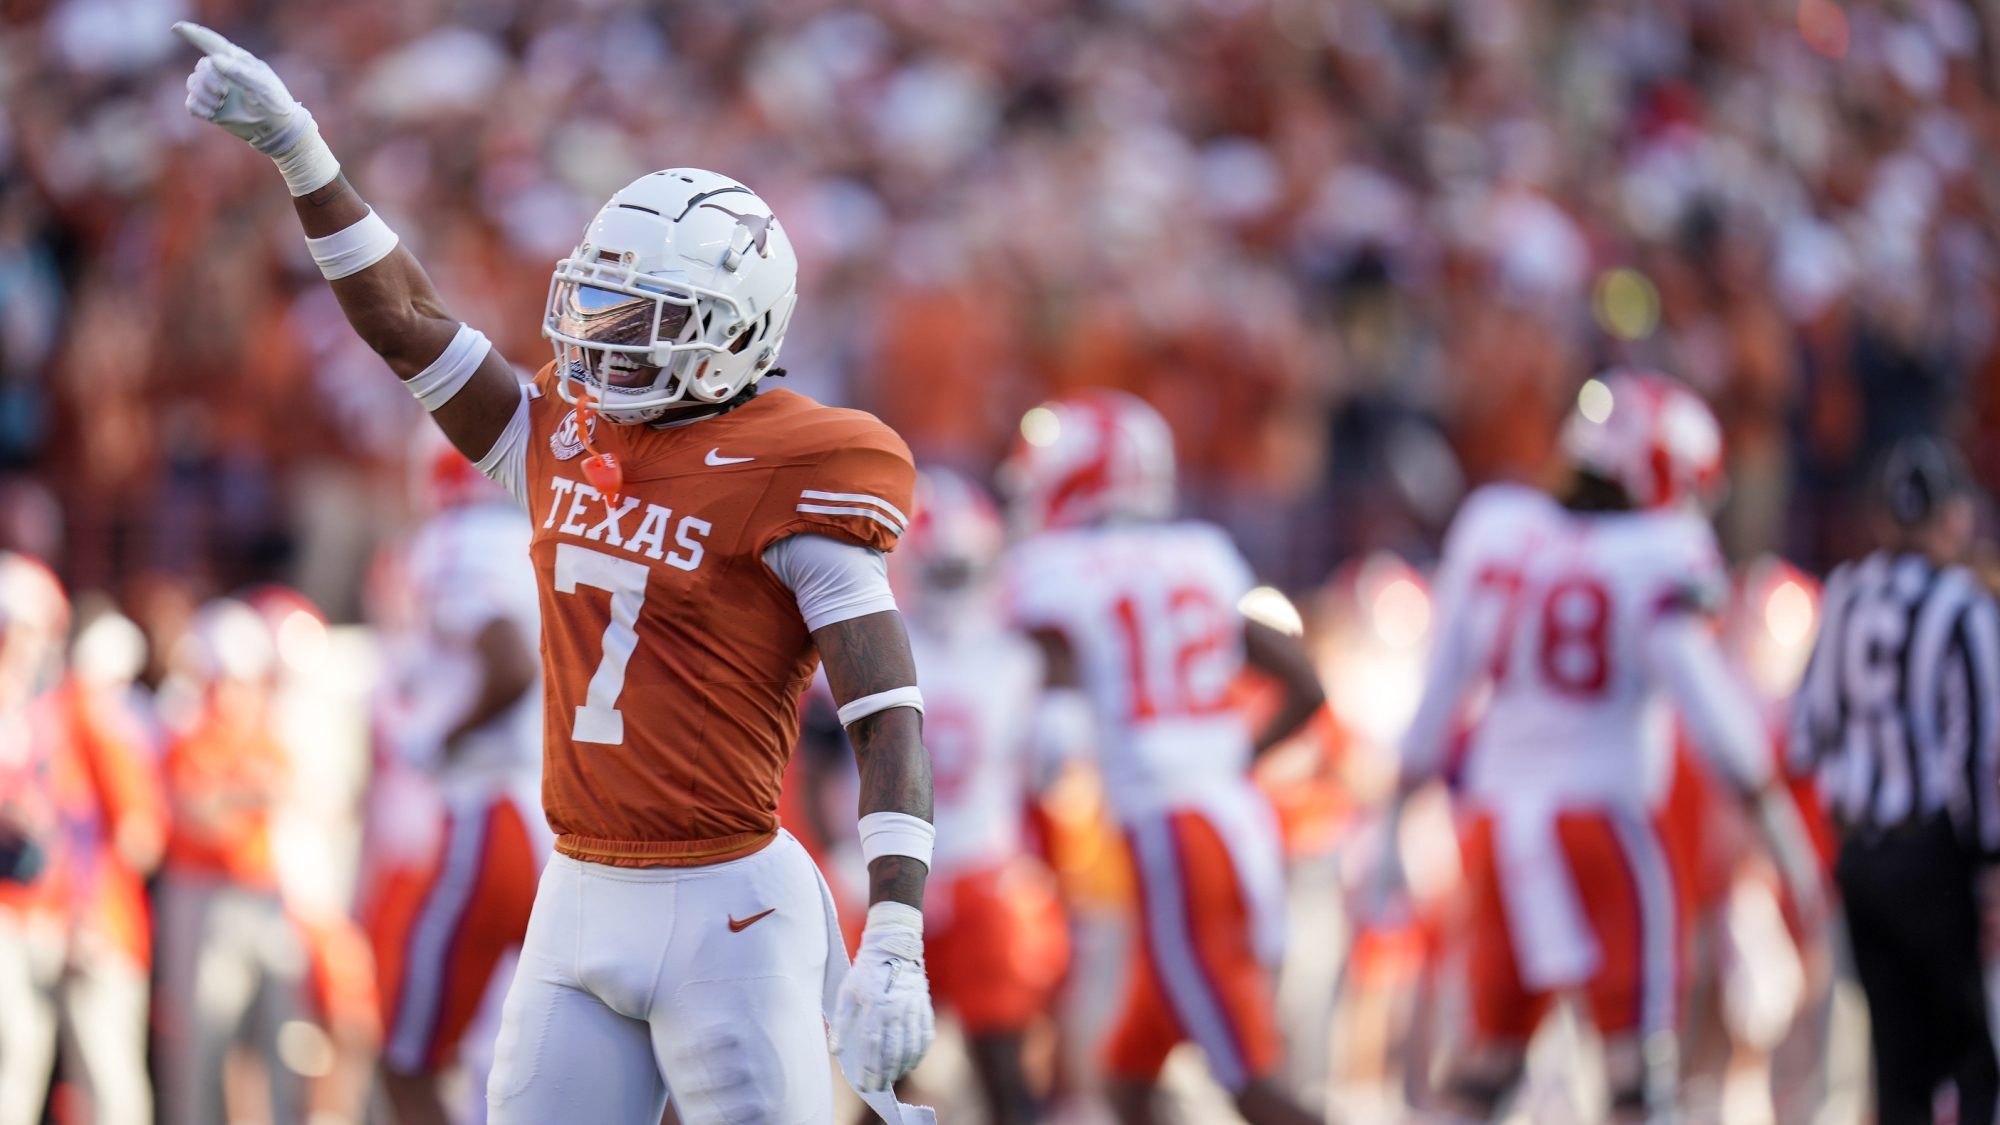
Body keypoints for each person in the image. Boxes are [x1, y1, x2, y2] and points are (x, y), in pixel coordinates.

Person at [173, 23, 939, 1124]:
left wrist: (897, 930)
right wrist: (303, 156)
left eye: (646, 320)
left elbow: (886, 710)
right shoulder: (568, 436)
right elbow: (405, 324)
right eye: (602, 305)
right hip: (575, 887)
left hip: (730, 902)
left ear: (737, 330)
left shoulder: (800, 466)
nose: (606, 340)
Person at [1392, 370, 1821, 1123]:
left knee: (1487, 1062)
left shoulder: (1498, 526)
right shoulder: (1657, 553)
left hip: (1498, 827)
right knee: (1636, 1076)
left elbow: (1440, 694)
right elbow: (1715, 715)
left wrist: (1397, 811)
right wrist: (1781, 834)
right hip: (1603, 823)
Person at [1000, 389, 1328, 1125]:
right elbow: (1306, 684)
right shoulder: (1202, 552)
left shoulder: (1052, 568)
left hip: (1172, 837)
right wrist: (1229, 758)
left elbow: (1052, 745)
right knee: (1127, 1078)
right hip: (1235, 819)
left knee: (1252, 1084)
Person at [1791, 435, 2000, 1125]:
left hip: (1861, 853)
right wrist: (1991, 860)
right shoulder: (1963, 605)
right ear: (1954, 515)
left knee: (1895, 1063)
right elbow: (1982, 751)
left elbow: (1807, 731)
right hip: (1934, 854)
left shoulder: (1847, 591)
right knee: (1974, 1057)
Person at [366, 444, 546, 1124]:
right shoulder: (541, 540)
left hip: (485, 810)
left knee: (405, 1057)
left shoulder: (459, 543)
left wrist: (439, 736)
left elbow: (508, 664)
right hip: (552, 817)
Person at [888, 468, 1069, 1124]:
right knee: (886, 1076)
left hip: (953, 878)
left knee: (969, 1073)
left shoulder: (881, 652)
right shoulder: (1018, 659)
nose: (955, 585)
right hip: (951, 878)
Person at [153, 597, 310, 1125]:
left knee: (277, 1033)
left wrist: (234, 795)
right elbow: (200, 815)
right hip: (204, 894)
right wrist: (246, 795)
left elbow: (286, 789)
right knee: (202, 1041)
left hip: (259, 892)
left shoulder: (263, 729)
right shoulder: (190, 729)